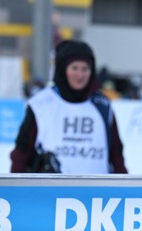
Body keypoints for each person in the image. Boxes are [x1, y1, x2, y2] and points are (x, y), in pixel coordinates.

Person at [11, 40, 127, 174]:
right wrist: (15, 187)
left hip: (96, 192)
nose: (80, 75)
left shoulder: (102, 105)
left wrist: (124, 186)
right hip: (51, 192)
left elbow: (116, 153)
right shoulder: (41, 104)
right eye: (74, 68)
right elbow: (22, 151)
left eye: (85, 69)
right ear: (62, 69)